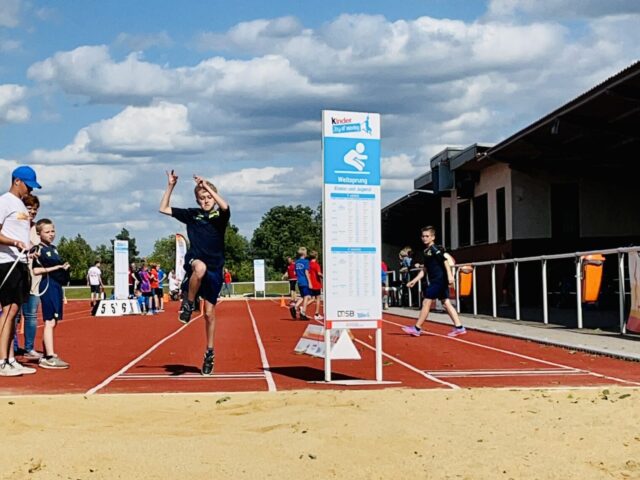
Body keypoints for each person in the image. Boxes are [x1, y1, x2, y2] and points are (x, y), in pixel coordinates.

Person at [159, 169, 230, 376]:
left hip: (216, 268)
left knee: (209, 314)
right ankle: (188, 303)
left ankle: (209, 352)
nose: (206, 200)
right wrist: (171, 186)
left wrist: (207, 185)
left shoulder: (220, 216)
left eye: (208, 197)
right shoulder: (193, 214)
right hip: (196, 260)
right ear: (197, 200)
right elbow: (163, 208)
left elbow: (225, 206)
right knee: (199, 268)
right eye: (202, 197)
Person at [0, 166, 41, 376]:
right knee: (8, 311)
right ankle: (1, 361)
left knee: (14, 312)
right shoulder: (4, 201)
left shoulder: (21, 206)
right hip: (6, 262)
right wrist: (14, 242)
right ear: (17, 181)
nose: (30, 191)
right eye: (28, 185)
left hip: (21, 262)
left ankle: (9, 358)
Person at [401, 226, 466, 337]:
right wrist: (414, 280)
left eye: (427, 236)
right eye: (423, 236)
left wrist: (450, 276)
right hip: (435, 280)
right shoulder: (426, 251)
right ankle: (459, 327)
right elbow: (425, 269)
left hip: (439, 280)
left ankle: (417, 328)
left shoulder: (435, 249)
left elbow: (445, 261)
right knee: (446, 303)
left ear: (433, 237)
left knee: (426, 302)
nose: (424, 238)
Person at [32, 218, 71, 368]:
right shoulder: (38, 249)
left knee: (54, 321)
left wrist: (63, 268)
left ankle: (48, 352)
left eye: (52, 231)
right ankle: (49, 356)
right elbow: (36, 270)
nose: (51, 234)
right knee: (49, 320)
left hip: (57, 286)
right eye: (47, 232)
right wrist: (55, 268)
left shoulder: (54, 248)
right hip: (47, 284)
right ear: (39, 233)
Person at [13, 194, 43, 360]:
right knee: (14, 315)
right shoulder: (15, 226)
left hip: (34, 278)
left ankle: (29, 348)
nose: (32, 212)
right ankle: (12, 347)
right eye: (29, 208)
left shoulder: (36, 229)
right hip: (17, 276)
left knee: (31, 314)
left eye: (34, 209)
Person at [291, 247, 312, 320]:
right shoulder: (306, 262)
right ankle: (303, 312)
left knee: (303, 296)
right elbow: (306, 272)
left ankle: (295, 306)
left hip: (299, 281)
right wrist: (309, 282)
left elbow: (295, 272)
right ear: (304, 253)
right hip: (304, 281)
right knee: (306, 296)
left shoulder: (297, 262)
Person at [308, 250, 323, 320]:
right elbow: (319, 273)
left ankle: (304, 306)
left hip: (311, 283)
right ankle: (316, 313)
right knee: (318, 298)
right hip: (316, 283)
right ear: (316, 256)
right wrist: (324, 277)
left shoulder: (308, 264)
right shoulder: (316, 265)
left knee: (313, 298)